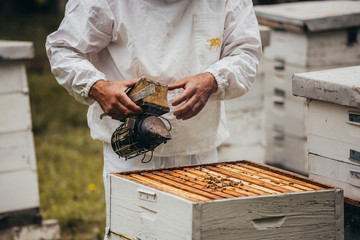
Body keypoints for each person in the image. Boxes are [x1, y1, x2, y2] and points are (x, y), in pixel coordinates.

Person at [46, 0, 261, 236]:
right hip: (130, 150)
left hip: (198, 147)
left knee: (194, 233)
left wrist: (213, 79)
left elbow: (245, 52)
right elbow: (64, 49)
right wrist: (97, 87)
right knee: (131, 231)